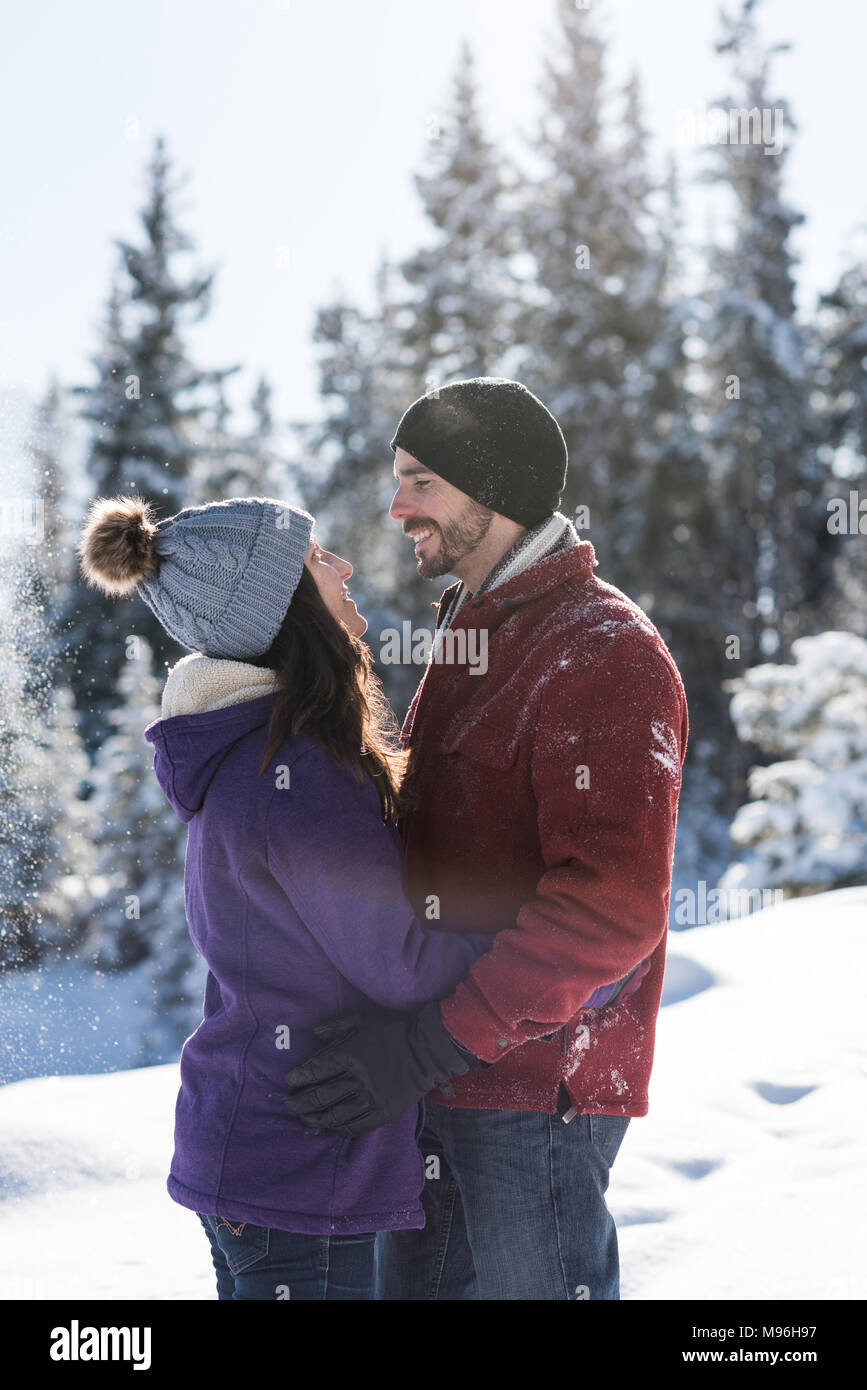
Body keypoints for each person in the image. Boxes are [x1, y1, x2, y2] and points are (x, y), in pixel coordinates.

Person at [285, 377, 689, 1301]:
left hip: (534, 1090)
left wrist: (431, 1043)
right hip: (440, 1079)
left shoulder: (601, 648)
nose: (396, 508)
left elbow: (611, 910)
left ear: (490, 487)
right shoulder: (475, 636)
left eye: (420, 481)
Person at [77, 493, 501, 1301]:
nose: (341, 568)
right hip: (303, 1169)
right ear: (281, 609)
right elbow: (404, 964)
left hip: (259, 1152)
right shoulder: (297, 774)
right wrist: (528, 927)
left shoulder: (255, 755)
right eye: (316, 560)